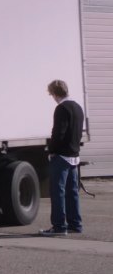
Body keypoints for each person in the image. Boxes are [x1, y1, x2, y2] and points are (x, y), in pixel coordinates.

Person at [39, 79, 84, 236]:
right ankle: (75, 224)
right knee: (72, 192)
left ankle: (59, 226)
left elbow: (58, 132)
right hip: (74, 155)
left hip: (62, 156)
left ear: (54, 93)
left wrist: (52, 150)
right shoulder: (78, 107)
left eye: (51, 94)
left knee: (58, 192)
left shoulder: (61, 108)